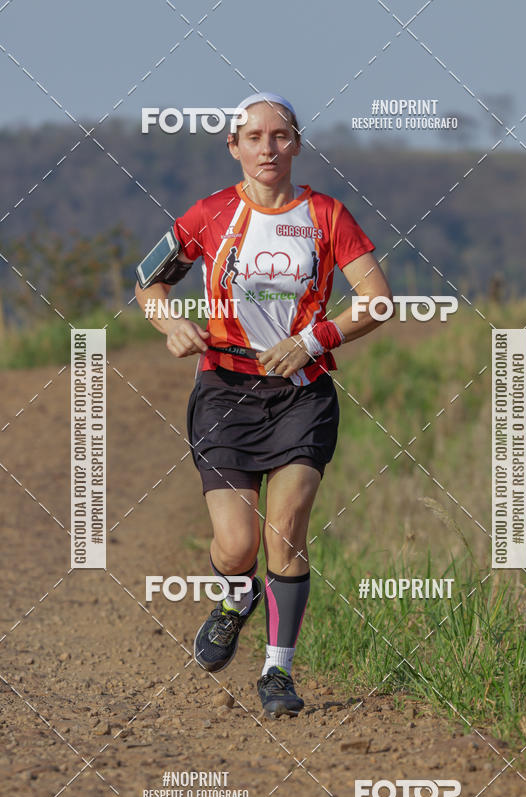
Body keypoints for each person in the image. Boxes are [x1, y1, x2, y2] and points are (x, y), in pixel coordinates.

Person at [135, 91, 391, 718]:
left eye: (280, 136)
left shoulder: (327, 215)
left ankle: (278, 672)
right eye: (254, 137)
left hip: (302, 396)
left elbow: (377, 300)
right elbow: (148, 282)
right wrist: (169, 322)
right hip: (224, 393)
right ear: (234, 146)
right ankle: (234, 599)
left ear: (297, 143)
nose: (268, 148)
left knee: (287, 533)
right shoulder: (210, 214)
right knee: (236, 546)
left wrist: (310, 340)